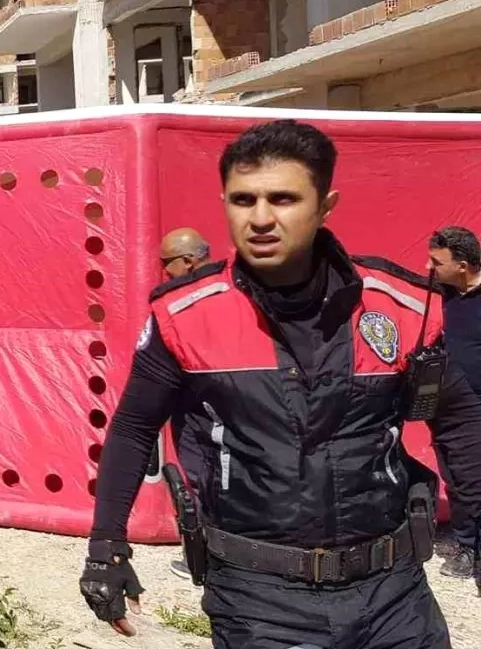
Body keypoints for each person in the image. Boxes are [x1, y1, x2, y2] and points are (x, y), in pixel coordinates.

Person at [79, 120, 481, 648]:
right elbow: (133, 428)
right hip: (258, 600)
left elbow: (457, 418)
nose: (261, 218)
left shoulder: (398, 307)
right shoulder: (184, 315)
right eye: (243, 199)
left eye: (284, 198)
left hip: (394, 592)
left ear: (326, 205)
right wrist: (107, 546)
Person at [157, 228, 212, 581]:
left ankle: (206, 559)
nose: (165, 272)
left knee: (202, 479)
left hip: (201, 409)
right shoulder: (227, 290)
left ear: (188, 261)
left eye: (168, 264)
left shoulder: (192, 300)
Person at [427, 225, 481, 579]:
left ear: (462, 265)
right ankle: (465, 546)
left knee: (473, 480)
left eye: (437, 262)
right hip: (444, 402)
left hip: (476, 403)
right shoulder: (442, 293)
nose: (430, 268)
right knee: (455, 478)